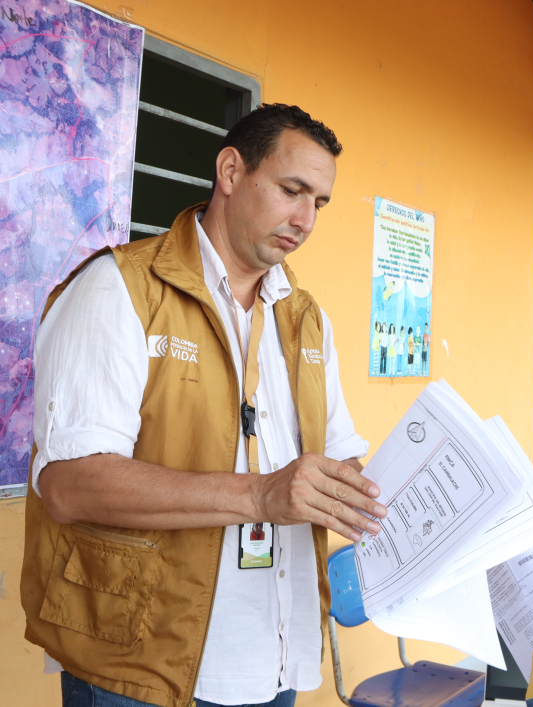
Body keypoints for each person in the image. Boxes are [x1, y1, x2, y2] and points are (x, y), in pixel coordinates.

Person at [21, 104, 390, 707]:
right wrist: (258, 494)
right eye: (292, 190)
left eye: (319, 202)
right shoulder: (119, 289)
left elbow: (337, 460)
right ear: (230, 171)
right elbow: (69, 484)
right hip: (140, 663)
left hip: (274, 658)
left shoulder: (306, 320)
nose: (305, 219)